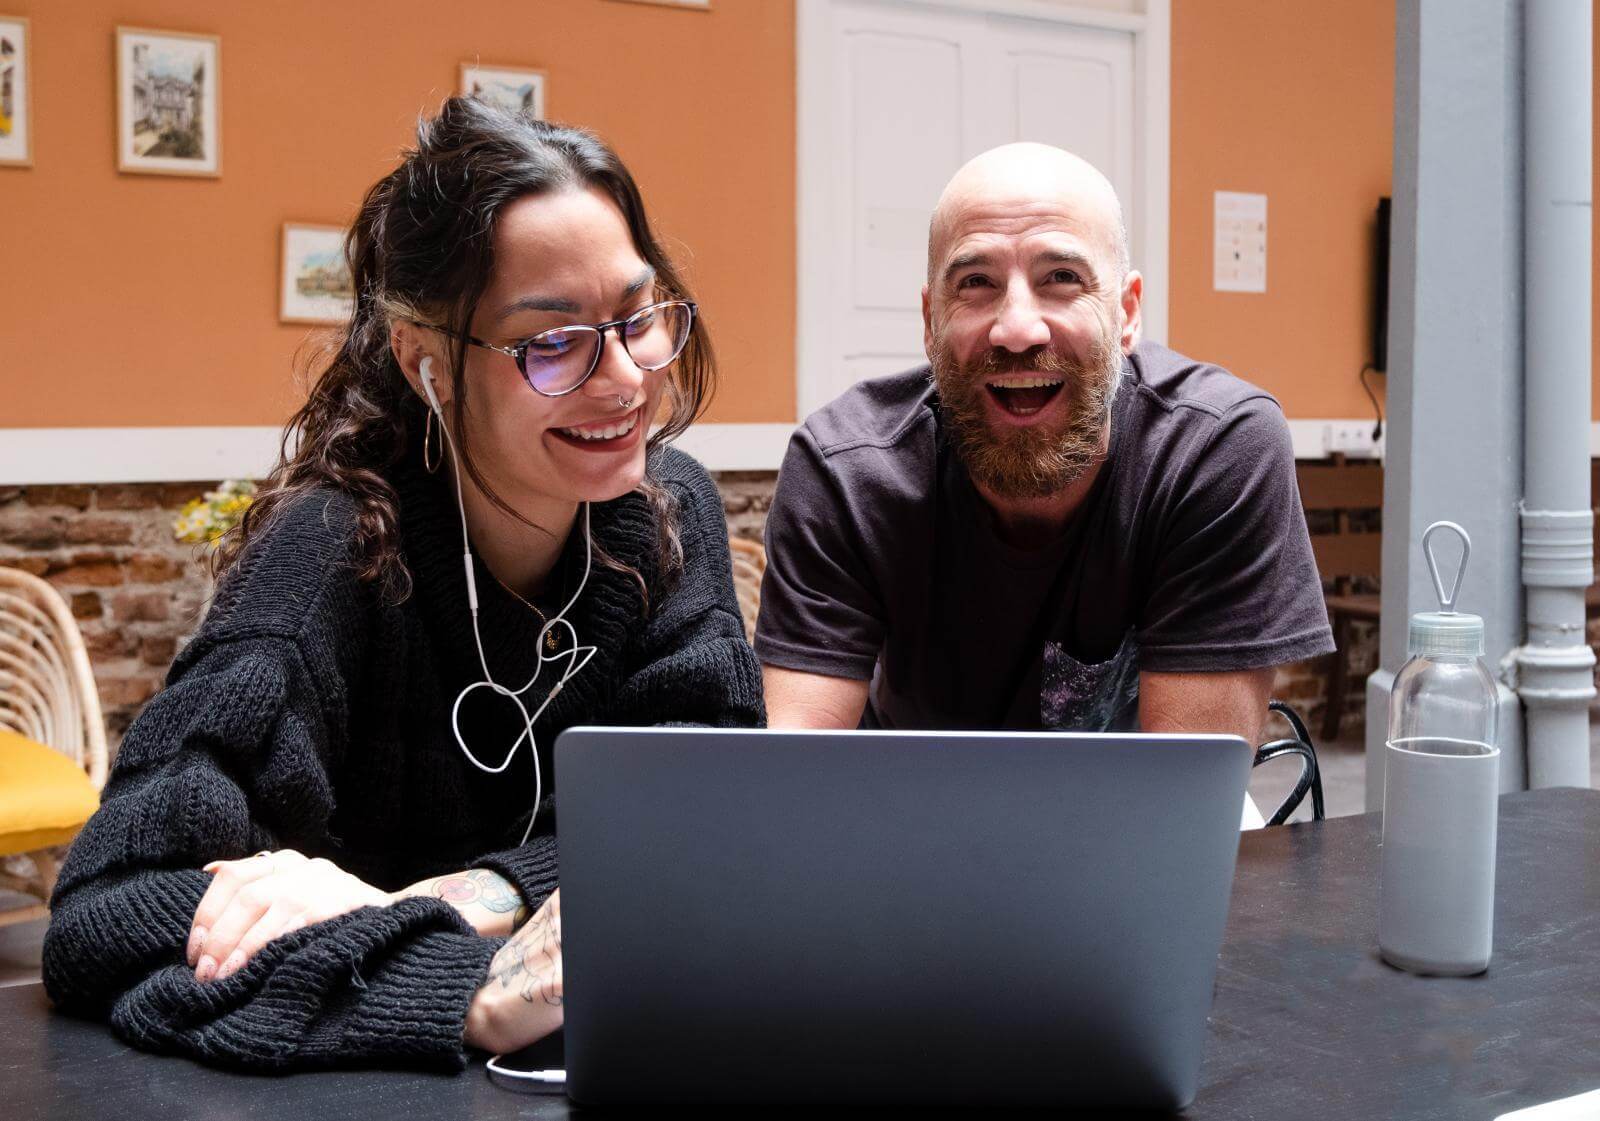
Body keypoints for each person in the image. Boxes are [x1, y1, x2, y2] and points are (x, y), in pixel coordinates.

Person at [43, 98, 762, 1070]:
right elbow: (106, 908)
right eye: (551, 342)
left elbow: (708, 820)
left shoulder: (668, 512)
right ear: (426, 362)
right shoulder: (329, 553)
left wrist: (438, 900)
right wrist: (464, 988)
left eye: (637, 317)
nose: (627, 376)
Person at [757, 143, 1333, 747]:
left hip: (1129, 829)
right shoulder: (845, 472)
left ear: (1127, 312)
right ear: (930, 322)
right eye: (976, 282)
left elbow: (1179, 804)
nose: (1016, 330)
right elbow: (797, 776)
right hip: (910, 818)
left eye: (1061, 278)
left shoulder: (1213, 451)